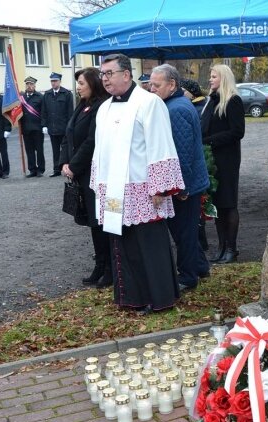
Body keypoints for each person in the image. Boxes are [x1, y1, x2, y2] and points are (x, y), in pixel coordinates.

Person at [91, 53, 185, 314]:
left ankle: (159, 297)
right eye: (102, 75)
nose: (105, 80)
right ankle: (132, 296)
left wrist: (160, 188)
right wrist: (99, 184)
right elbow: (101, 150)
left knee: (148, 245)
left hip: (143, 189)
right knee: (123, 243)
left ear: (126, 74)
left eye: (110, 73)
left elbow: (160, 144)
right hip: (114, 189)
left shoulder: (149, 103)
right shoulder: (105, 107)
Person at [149, 64, 210, 291]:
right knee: (186, 230)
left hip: (186, 184)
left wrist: (180, 189)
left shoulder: (176, 110)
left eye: (156, 85)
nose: (152, 89)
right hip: (187, 182)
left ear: (172, 84)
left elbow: (182, 154)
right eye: (150, 85)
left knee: (183, 232)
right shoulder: (173, 104)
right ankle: (200, 267)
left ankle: (187, 277)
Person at [58, 68, 113, 288]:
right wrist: (64, 162)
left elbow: (92, 141)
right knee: (92, 221)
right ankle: (99, 265)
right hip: (81, 173)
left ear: (92, 83)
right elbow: (68, 134)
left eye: (81, 83)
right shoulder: (82, 105)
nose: (78, 87)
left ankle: (109, 268)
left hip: (94, 172)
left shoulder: (101, 106)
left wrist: (74, 164)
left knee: (100, 222)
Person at [201, 64, 245, 264]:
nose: (210, 79)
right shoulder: (212, 100)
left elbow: (237, 132)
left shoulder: (233, 101)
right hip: (212, 160)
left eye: (214, 76)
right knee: (217, 205)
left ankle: (231, 248)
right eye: (210, 76)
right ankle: (220, 247)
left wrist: (210, 140)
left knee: (229, 204)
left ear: (224, 78)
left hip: (227, 159)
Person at [181, 78, 210, 251]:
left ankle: (200, 246)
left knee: (192, 215)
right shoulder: (191, 106)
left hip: (194, 172)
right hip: (198, 167)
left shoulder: (192, 107)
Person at [41, 72, 73, 177]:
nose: (53, 83)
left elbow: (70, 113)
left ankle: (68, 168)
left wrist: (69, 126)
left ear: (60, 81)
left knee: (65, 149)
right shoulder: (47, 94)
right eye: (52, 81)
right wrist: (44, 125)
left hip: (64, 127)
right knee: (55, 150)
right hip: (52, 127)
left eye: (55, 81)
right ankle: (56, 170)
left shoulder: (67, 94)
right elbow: (44, 111)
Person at [20, 76, 46, 177]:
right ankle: (32, 170)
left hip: (37, 128)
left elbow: (44, 112)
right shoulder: (22, 98)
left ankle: (40, 170)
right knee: (29, 150)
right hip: (26, 128)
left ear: (35, 85)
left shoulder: (40, 97)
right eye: (27, 84)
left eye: (31, 84)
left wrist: (43, 125)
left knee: (39, 150)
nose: (29, 86)